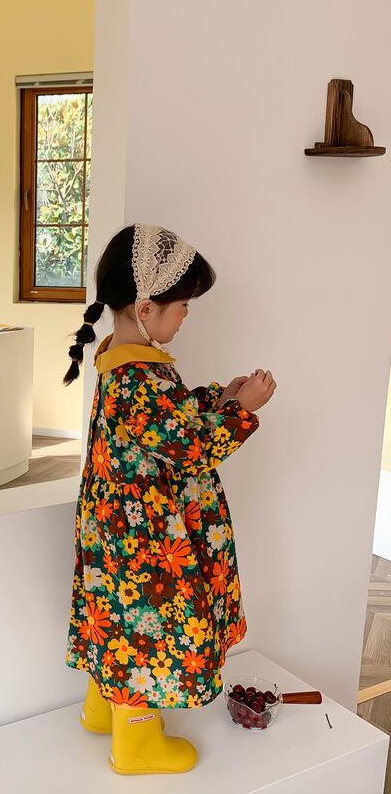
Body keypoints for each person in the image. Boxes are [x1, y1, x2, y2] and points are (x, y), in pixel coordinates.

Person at [63, 224, 276, 775]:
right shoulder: (138, 377)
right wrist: (242, 411)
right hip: (148, 540)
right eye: (182, 305)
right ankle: (135, 744)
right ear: (145, 307)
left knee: (118, 615)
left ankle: (102, 708)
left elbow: (167, 422)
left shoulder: (124, 359)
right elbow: (189, 448)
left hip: (120, 529)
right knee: (146, 625)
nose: (185, 316)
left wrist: (218, 397)